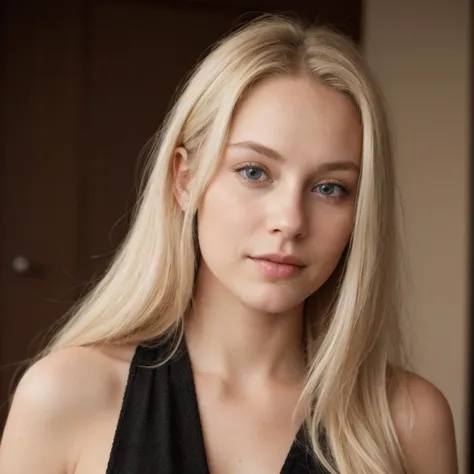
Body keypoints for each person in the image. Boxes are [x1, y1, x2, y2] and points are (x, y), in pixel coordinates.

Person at [0, 14, 458, 474]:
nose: (290, 221)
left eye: (330, 187)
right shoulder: (66, 397)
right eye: (254, 172)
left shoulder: (409, 424)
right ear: (185, 178)